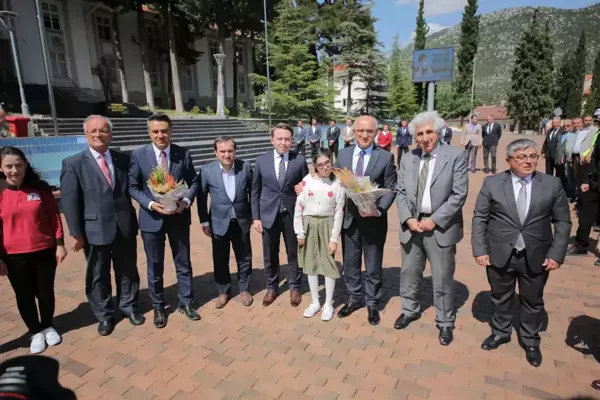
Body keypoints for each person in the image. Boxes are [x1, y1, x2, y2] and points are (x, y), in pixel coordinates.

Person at [472, 139, 571, 367]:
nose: (529, 161)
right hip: (499, 253)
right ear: (509, 160)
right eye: (522, 157)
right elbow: (480, 218)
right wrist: (480, 249)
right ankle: (500, 332)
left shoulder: (552, 184)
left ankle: (530, 340)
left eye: (533, 156)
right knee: (500, 297)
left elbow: (563, 222)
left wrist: (556, 254)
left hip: (536, 254)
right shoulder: (492, 183)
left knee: (533, 300)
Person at [60, 115, 143, 337]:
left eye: (103, 131)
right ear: (86, 135)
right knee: (98, 275)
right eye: (93, 131)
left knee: (127, 270)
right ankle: (105, 315)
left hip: (124, 225)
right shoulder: (73, 163)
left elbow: (135, 188)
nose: (98, 135)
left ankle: (129, 306)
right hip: (94, 230)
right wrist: (76, 232)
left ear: (110, 134)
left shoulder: (124, 160)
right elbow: (69, 201)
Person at [394, 111, 468, 346]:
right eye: (419, 134)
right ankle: (409, 309)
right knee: (409, 272)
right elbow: (401, 192)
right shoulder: (408, 158)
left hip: (440, 227)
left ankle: (445, 321)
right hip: (413, 226)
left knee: (442, 276)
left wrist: (434, 220)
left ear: (438, 132)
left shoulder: (455, 156)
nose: (425, 138)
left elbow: (459, 195)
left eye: (429, 132)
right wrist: (408, 219)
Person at [129, 113, 200, 328]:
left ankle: (186, 302)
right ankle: (158, 306)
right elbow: (132, 186)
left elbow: (194, 182)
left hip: (178, 216)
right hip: (152, 219)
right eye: (155, 131)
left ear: (171, 131)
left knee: (183, 262)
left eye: (164, 131)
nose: (160, 135)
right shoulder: (139, 155)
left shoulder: (183, 154)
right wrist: (151, 204)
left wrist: (185, 201)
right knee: (155, 264)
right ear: (149, 132)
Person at [0, 147, 67, 353]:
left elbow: (54, 216)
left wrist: (60, 244)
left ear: (25, 165)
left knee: (45, 292)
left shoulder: (40, 188)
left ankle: (47, 325)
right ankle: (35, 331)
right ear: (1, 168)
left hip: (44, 250)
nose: (14, 170)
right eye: (9, 166)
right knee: (24, 295)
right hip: (12, 255)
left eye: (18, 165)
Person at [334, 116, 397, 326]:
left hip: (374, 220)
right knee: (351, 264)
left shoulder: (385, 157)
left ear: (376, 133)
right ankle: (354, 299)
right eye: (360, 130)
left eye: (369, 131)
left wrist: (379, 210)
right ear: (353, 131)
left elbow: (391, 188)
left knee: (372, 266)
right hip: (349, 220)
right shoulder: (342, 154)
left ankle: (372, 303)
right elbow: (334, 183)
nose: (364, 135)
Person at [251, 123, 309, 307]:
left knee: (294, 253)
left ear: (292, 141)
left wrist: (304, 189)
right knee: (270, 254)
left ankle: (294, 286)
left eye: (287, 139)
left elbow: (307, 187)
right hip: (268, 214)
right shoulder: (261, 161)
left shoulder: (299, 160)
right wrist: (256, 217)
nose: (283, 143)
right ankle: (272, 287)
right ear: (272, 140)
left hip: (292, 214)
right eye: (280, 139)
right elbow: (255, 191)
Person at [197, 137, 253, 308]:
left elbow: (254, 192)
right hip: (218, 222)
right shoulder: (207, 171)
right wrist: (204, 222)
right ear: (216, 152)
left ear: (235, 151)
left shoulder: (245, 167)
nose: (227, 154)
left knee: (244, 257)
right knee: (220, 258)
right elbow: (201, 197)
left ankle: (244, 289)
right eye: (223, 151)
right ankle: (223, 291)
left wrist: (253, 215)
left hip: (241, 220)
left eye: (230, 151)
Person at [294, 148, 345, 321]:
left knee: (328, 265)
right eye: (320, 164)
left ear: (332, 162)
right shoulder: (307, 181)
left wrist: (333, 239)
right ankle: (315, 302)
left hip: (327, 224)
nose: (324, 167)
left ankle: (328, 303)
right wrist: (299, 231)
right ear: (314, 166)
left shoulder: (338, 183)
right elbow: (298, 207)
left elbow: (339, 212)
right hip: (309, 224)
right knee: (311, 264)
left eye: (327, 163)